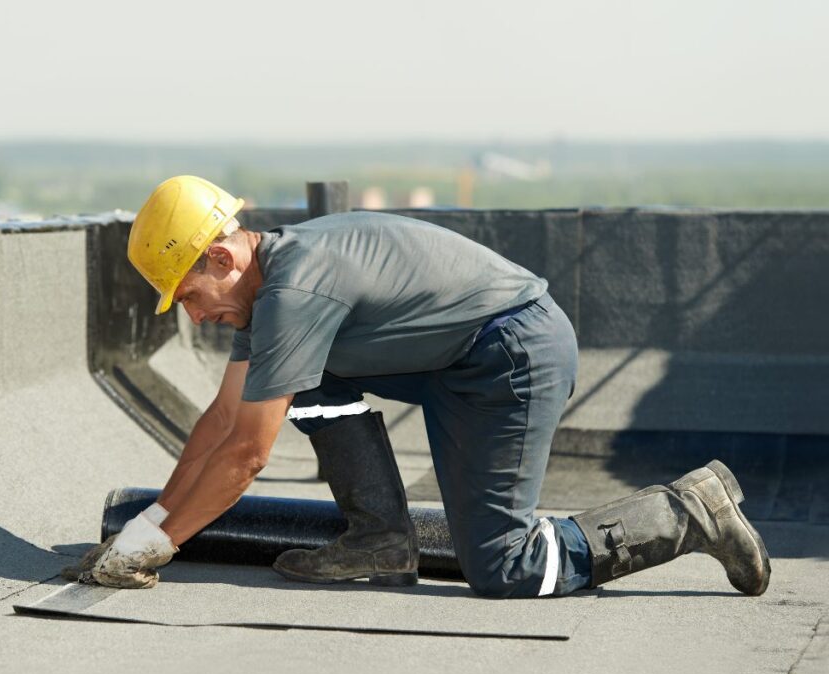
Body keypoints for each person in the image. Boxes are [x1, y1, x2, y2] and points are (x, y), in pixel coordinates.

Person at [83, 175, 770, 598]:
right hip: (459, 361)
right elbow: (221, 422)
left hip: (512, 357)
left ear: (222, 256)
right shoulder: (267, 300)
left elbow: (245, 457)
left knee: (506, 567)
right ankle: (380, 535)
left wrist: (158, 544)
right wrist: (149, 521)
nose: (196, 315)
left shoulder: (295, 290)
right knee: (298, 374)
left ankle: (686, 513)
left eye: (192, 293)